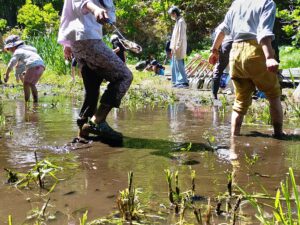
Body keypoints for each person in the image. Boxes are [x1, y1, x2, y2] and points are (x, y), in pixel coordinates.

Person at [58, 0, 133, 140]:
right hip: (88, 38)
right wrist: (96, 9)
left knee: (92, 88)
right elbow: (83, 2)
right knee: (125, 76)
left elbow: (71, 13)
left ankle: (83, 132)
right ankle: (98, 121)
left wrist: (67, 44)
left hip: (79, 41)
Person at [209, 0, 284, 138]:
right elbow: (264, 32)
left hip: (235, 53)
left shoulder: (237, 3)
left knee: (240, 101)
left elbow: (222, 29)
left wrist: (214, 50)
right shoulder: (267, 2)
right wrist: (269, 57)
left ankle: (234, 137)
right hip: (256, 51)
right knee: (273, 95)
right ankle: (279, 135)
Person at [4, 35, 45, 103]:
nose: (9, 50)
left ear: (13, 46)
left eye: (9, 48)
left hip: (33, 65)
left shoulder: (18, 51)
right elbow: (29, 60)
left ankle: (27, 101)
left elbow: (12, 63)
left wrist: (7, 74)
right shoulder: (29, 49)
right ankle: (35, 101)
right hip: (41, 66)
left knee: (26, 84)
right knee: (32, 84)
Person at [211, 25, 233, 105]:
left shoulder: (219, 29)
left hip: (227, 45)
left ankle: (214, 95)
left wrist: (214, 52)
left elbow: (218, 42)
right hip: (239, 44)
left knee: (218, 70)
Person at [168, 6, 189, 88]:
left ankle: (184, 82)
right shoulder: (177, 21)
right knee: (174, 65)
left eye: (172, 14)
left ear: (175, 13)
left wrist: (177, 46)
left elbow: (181, 36)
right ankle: (177, 81)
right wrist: (172, 47)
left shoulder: (181, 21)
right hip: (174, 47)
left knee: (179, 64)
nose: (171, 16)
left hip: (179, 47)